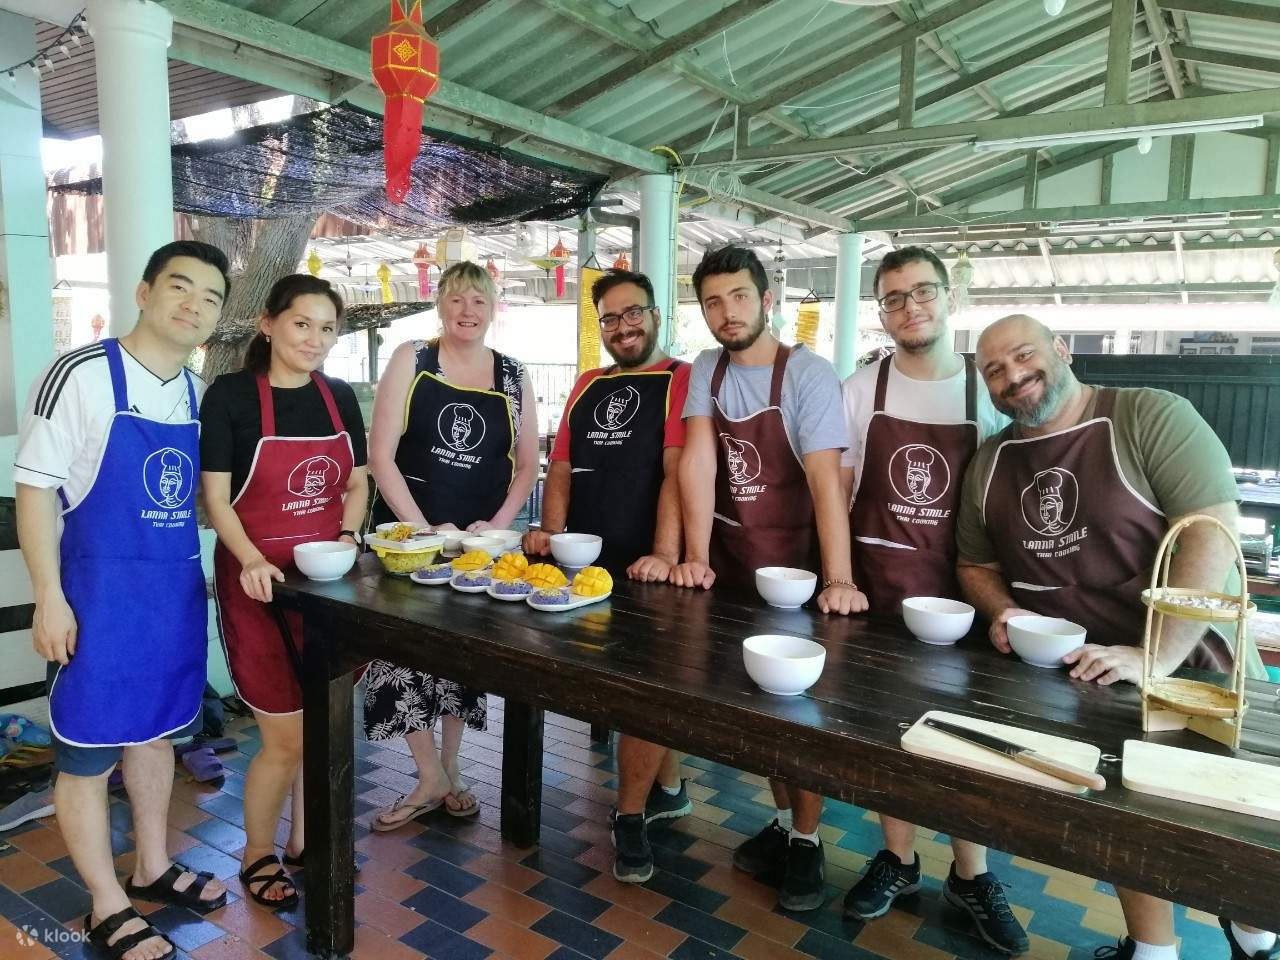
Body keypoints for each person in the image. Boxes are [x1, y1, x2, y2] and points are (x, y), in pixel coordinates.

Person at [957, 313, 1275, 960]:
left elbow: (1211, 532)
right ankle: (1153, 951)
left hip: (1198, 669)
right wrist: (1002, 612)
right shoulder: (990, 462)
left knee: (1220, 829)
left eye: (1024, 356)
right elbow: (976, 565)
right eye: (994, 369)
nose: (1013, 376)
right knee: (1126, 819)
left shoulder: (1148, 416)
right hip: (1085, 675)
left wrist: (1152, 656)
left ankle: (1254, 936)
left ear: (1063, 350)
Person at [15, 241, 231, 960]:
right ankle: (107, 904)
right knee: (86, 753)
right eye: (180, 286)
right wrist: (49, 597)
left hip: (169, 600)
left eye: (209, 296)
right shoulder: (82, 375)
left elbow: (198, 503)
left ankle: (152, 866)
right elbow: (36, 487)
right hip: (96, 602)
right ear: (143, 292)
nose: (192, 304)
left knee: (158, 735)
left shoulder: (197, 393)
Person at [838, 248, 1025, 953]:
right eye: (893, 297)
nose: (910, 306)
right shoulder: (859, 390)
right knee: (887, 734)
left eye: (922, 292)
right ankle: (899, 858)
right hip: (879, 591)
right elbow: (841, 489)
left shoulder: (990, 391)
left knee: (967, 744)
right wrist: (839, 576)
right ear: (881, 312)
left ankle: (971, 875)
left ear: (950, 298)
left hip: (967, 594)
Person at [671, 245, 865, 912]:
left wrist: (838, 578)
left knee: (798, 715)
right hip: (731, 565)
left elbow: (824, 482)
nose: (727, 313)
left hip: (796, 575)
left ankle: (807, 841)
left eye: (739, 297)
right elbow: (696, 460)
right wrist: (695, 556)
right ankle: (783, 824)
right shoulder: (707, 369)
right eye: (713, 302)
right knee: (757, 712)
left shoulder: (809, 374)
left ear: (766, 298)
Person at [200, 275, 368, 909]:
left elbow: (355, 482)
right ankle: (256, 853)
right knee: (285, 737)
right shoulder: (232, 396)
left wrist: (348, 537)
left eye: (328, 328)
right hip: (258, 582)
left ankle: (305, 839)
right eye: (303, 324)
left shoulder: (339, 397)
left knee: (322, 724)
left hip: (326, 583)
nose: (316, 340)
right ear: (269, 324)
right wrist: (248, 560)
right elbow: (217, 499)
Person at [521, 268, 692, 883]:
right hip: (582, 566)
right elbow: (560, 465)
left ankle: (629, 816)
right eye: (612, 319)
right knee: (619, 687)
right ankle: (667, 787)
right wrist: (550, 532)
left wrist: (665, 554)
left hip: (646, 565)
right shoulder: (588, 384)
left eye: (634, 314)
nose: (624, 327)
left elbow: (678, 470)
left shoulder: (680, 379)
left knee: (645, 693)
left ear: (656, 314)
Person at [364, 261, 538, 828]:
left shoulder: (513, 375)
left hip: (476, 545)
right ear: (439, 303)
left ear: (493, 310)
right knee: (402, 654)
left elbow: (528, 465)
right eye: (458, 299)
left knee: (461, 657)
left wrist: (494, 526)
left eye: (480, 301)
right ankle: (428, 775)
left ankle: (451, 768)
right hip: (411, 540)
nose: (468, 310)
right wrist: (420, 529)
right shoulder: (412, 359)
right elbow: (381, 457)